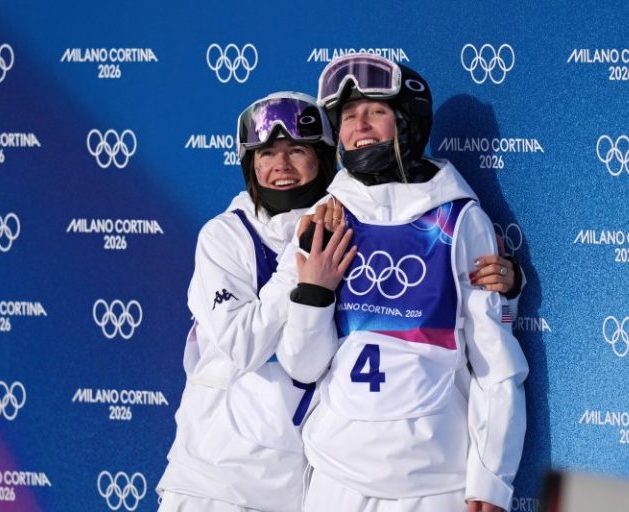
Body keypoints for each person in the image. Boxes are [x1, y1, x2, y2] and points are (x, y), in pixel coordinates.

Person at [156, 89, 520, 512]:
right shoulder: (226, 236)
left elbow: (423, 295)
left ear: (326, 158)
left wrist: (506, 285)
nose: (280, 166)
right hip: (212, 475)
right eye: (266, 154)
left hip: (295, 484)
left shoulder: (348, 222)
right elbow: (243, 344)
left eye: (297, 151)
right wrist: (304, 274)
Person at [275, 55, 529, 512]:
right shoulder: (326, 218)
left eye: (376, 111)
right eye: (348, 116)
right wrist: (313, 293)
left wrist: (491, 479)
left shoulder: (458, 220)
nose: (359, 125)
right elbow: (302, 366)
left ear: (409, 122)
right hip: (338, 477)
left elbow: (495, 363)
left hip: (434, 481)